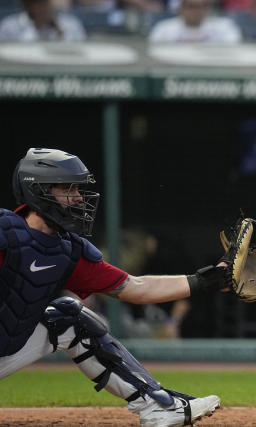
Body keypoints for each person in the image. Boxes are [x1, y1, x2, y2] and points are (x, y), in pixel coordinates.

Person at [0, 148, 240, 426]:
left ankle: (157, 405)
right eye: (68, 188)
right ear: (37, 190)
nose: (78, 197)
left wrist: (205, 280)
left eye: (78, 189)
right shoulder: (6, 232)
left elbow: (135, 287)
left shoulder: (67, 250)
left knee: (68, 317)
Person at [148, 0, 242, 43]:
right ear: (181, 8)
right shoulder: (164, 28)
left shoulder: (224, 27)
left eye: (203, 6)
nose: (198, 11)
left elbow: (233, 49)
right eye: (192, 6)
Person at [0, 0, 86, 41]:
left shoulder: (71, 23)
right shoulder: (9, 26)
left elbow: (79, 54)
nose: (43, 8)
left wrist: (60, 32)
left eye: (46, 3)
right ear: (28, 6)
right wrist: (36, 27)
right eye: (38, 3)